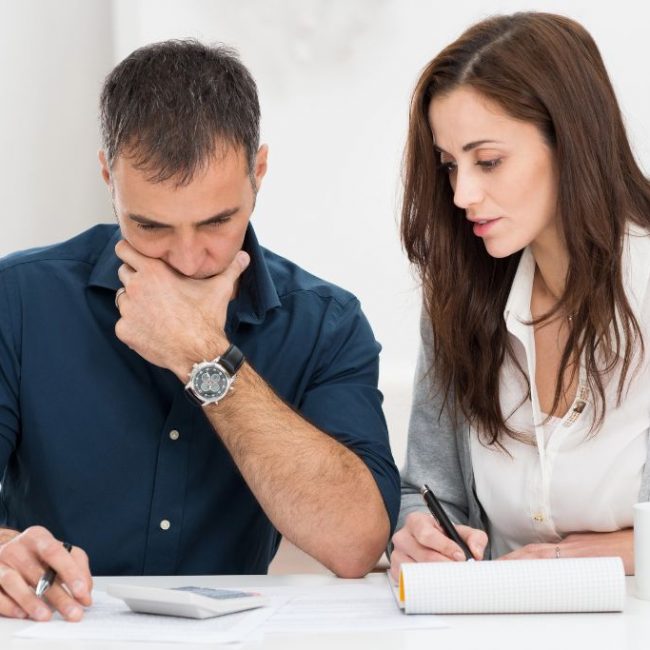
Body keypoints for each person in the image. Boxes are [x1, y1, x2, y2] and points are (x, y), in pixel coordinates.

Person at [0, 39, 400, 622]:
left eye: (217, 221)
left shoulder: (324, 323)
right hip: (55, 630)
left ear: (257, 171)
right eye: (151, 225)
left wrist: (203, 356)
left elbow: (355, 544)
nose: (188, 260)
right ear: (107, 174)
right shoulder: (18, 300)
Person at [390, 12, 650, 581]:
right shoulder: (461, 299)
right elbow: (430, 494)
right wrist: (420, 536)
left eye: (488, 162)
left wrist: (610, 553)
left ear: (571, 139)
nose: (461, 193)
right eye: (450, 165)